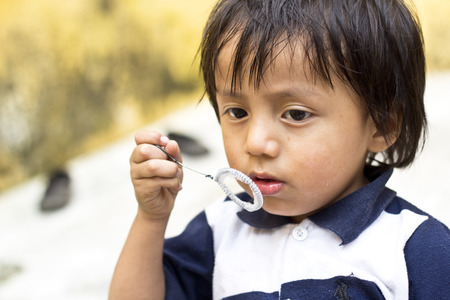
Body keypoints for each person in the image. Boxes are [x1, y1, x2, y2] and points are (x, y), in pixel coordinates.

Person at [109, 0, 450, 299]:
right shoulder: (218, 232)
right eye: (237, 112)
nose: (255, 143)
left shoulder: (417, 249)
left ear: (382, 125)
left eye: (296, 114)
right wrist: (152, 219)